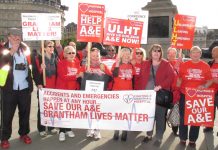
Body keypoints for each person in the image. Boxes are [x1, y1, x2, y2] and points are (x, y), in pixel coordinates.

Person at [0, 28, 33, 149]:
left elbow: (30, 64)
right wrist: (11, 52)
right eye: (14, 36)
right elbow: (1, 63)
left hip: (24, 87)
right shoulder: (3, 48)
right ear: (8, 37)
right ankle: (4, 138)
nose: (17, 38)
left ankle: (24, 133)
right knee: (7, 115)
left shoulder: (25, 48)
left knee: (25, 113)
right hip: (9, 88)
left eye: (18, 36)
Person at [137, 44, 175, 147]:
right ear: (150, 52)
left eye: (158, 51)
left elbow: (172, 77)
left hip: (159, 96)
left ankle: (159, 137)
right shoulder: (145, 63)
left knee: (160, 117)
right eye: (154, 51)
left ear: (161, 53)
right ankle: (149, 135)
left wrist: (161, 86)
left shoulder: (166, 64)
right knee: (149, 117)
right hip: (147, 97)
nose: (156, 53)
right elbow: (139, 78)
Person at [177, 46, 213, 148]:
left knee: (196, 118)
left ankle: (192, 140)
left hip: (198, 96)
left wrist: (204, 86)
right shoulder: (184, 65)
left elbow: (210, 80)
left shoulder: (205, 66)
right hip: (184, 95)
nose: (195, 54)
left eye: (198, 52)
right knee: (183, 118)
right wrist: (177, 90)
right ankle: (182, 138)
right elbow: (179, 79)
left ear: (200, 54)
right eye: (193, 52)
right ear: (190, 54)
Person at [80, 47, 112, 140]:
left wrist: (103, 72)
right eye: (93, 55)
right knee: (89, 112)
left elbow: (110, 77)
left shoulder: (103, 66)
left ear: (100, 56)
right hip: (89, 94)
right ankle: (90, 128)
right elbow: (78, 76)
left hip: (99, 94)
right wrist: (84, 73)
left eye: (97, 55)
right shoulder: (86, 66)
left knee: (98, 112)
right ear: (89, 56)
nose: (95, 57)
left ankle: (97, 130)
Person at [31, 40, 59, 137]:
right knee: (42, 108)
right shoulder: (39, 58)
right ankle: (41, 128)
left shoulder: (55, 57)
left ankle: (51, 127)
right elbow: (34, 72)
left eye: (52, 46)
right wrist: (40, 71)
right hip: (44, 86)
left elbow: (58, 71)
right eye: (49, 46)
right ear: (44, 48)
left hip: (54, 86)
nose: (52, 48)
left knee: (52, 107)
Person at [56, 45, 81, 141]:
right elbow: (63, 77)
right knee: (63, 111)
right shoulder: (61, 63)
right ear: (65, 54)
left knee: (70, 111)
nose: (71, 54)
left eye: (73, 52)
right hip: (63, 90)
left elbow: (80, 75)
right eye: (69, 53)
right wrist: (76, 76)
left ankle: (68, 129)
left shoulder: (77, 62)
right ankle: (62, 131)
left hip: (73, 90)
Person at [111, 47, 135, 141]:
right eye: (124, 54)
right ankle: (116, 131)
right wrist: (117, 64)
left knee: (126, 114)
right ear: (121, 55)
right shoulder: (116, 64)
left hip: (128, 94)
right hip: (117, 92)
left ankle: (125, 131)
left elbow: (133, 79)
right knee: (117, 113)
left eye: (128, 54)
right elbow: (114, 75)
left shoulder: (131, 65)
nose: (126, 56)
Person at [166, 47, 183, 136]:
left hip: (179, 93)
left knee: (176, 112)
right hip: (168, 93)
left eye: (174, 53)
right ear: (167, 54)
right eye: (170, 53)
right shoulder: (164, 63)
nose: (172, 55)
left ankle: (175, 130)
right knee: (165, 112)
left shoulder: (181, 63)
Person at [203, 46, 218, 133]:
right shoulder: (210, 63)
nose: (212, 53)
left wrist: (215, 80)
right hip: (209, 92)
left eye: (214, 51)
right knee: (210, 111)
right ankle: (209, 127)